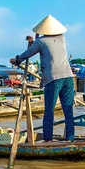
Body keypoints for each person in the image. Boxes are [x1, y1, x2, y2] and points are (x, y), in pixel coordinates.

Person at [10, 14, 75, 142]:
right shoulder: (62, 38)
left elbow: (28, 53)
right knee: (68, 111)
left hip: (53, 79)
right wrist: (33, 41)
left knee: (49, 111)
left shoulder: (40, 42)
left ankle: (47, 140)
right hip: (68, 77)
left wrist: (16, 60)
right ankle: (70, 139)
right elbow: (49, 46)